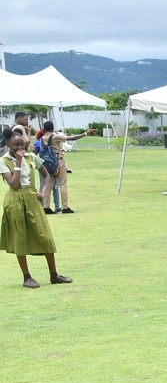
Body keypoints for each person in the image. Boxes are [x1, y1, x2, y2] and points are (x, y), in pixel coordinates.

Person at [1, 128, 73, 288]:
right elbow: (14, 184)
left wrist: (43, 191)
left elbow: (47, 175)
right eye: (15, 145)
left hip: (32, 199)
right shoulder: (3, 161)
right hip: (15, 201)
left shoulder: (31, 156)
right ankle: (27, 277)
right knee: (20, 239)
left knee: (45, 236)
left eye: (22, 145)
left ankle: (54, 275)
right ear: (7, 144)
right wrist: (18, 162)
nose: (20, 148)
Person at [39, 121, 94, 215]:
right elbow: (71, 138)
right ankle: (65, 207)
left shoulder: (42, 138)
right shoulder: (55, 136)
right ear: (52, 128)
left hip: (48, 164)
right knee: (62, 184)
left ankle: (46, 206)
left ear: (44, 129)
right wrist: (85, 133)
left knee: (49, 185)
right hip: (58, 162)